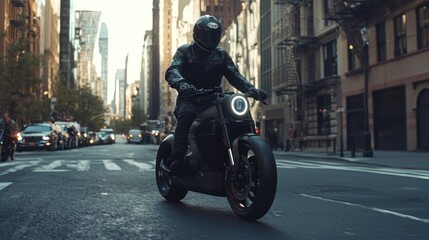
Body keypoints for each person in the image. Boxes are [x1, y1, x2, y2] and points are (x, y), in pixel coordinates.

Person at [165, 15, 268, 175]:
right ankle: (177, 159)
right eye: (207, 35)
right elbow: (173, 70)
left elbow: (235, 76)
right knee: (186, 115)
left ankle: (244, 150)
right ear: (198, 34)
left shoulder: (221, 55)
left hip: (214, 100)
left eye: (214, 35)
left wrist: (253, 90)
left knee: (236, 114)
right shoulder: (185, 51)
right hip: (190, 99)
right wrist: (182, 84)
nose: (210, 39)